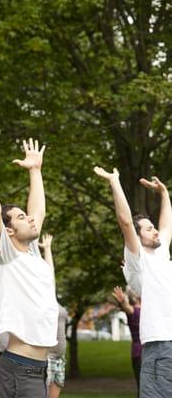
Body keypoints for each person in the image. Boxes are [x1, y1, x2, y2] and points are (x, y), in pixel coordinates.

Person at [0, 129, 58, 398]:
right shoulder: (5, 256)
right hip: (19, 370)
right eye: (20, 217)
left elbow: (38, 210)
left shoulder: (32, 254)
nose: (29, 218)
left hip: (37, 370)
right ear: (9, 232)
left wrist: (35, 171)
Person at [94, 166, 172, 398]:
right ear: (138, 238)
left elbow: (167, 226)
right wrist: (114, 181)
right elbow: (126, 222)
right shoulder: (138, 261)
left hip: (163, 345)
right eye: (149, 229)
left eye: (154, 227)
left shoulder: (160, 254)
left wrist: (164, 194)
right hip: (161, 344)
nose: (156, 231)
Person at [39, 233, 68, 398]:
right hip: (46, 357)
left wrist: (48, 249)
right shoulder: (39, 302)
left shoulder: (51, 298)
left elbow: (50, 275)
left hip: (59, 358)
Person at [112, 285, 141, 397]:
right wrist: (123, 301)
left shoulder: (149, 309)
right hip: (140, 353)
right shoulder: (133, 311)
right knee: (142, 386)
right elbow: (127, 307)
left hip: (149, 352)